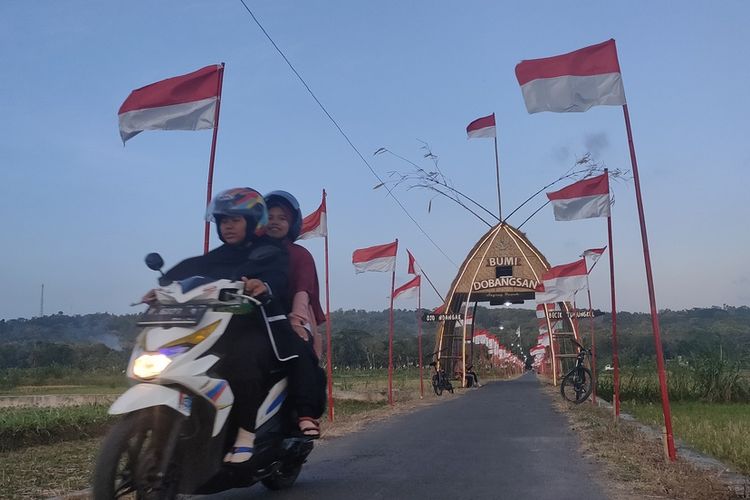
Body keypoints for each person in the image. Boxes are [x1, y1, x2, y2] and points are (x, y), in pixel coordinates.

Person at [142, 187, 299, 464]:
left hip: (254, 327)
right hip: (214, 327)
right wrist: (163, 289)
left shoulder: (269, 252)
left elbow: (278, 277)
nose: (228, 225)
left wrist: (263, 285)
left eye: (235, 220)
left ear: (251, 222)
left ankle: (246, 433)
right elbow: (190, 269)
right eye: (223, 220)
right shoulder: (217, 255)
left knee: (242, 362)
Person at [264, 190, 327, 438]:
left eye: (282, 217)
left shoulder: (299, 255)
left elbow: (303, 290)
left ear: (292, 223)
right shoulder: (249, 250)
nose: (275, 221)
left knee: (300, 353)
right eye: (269, 216)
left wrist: (297, 321)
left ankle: (305, 413)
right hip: (256, 318)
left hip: (291, 316)